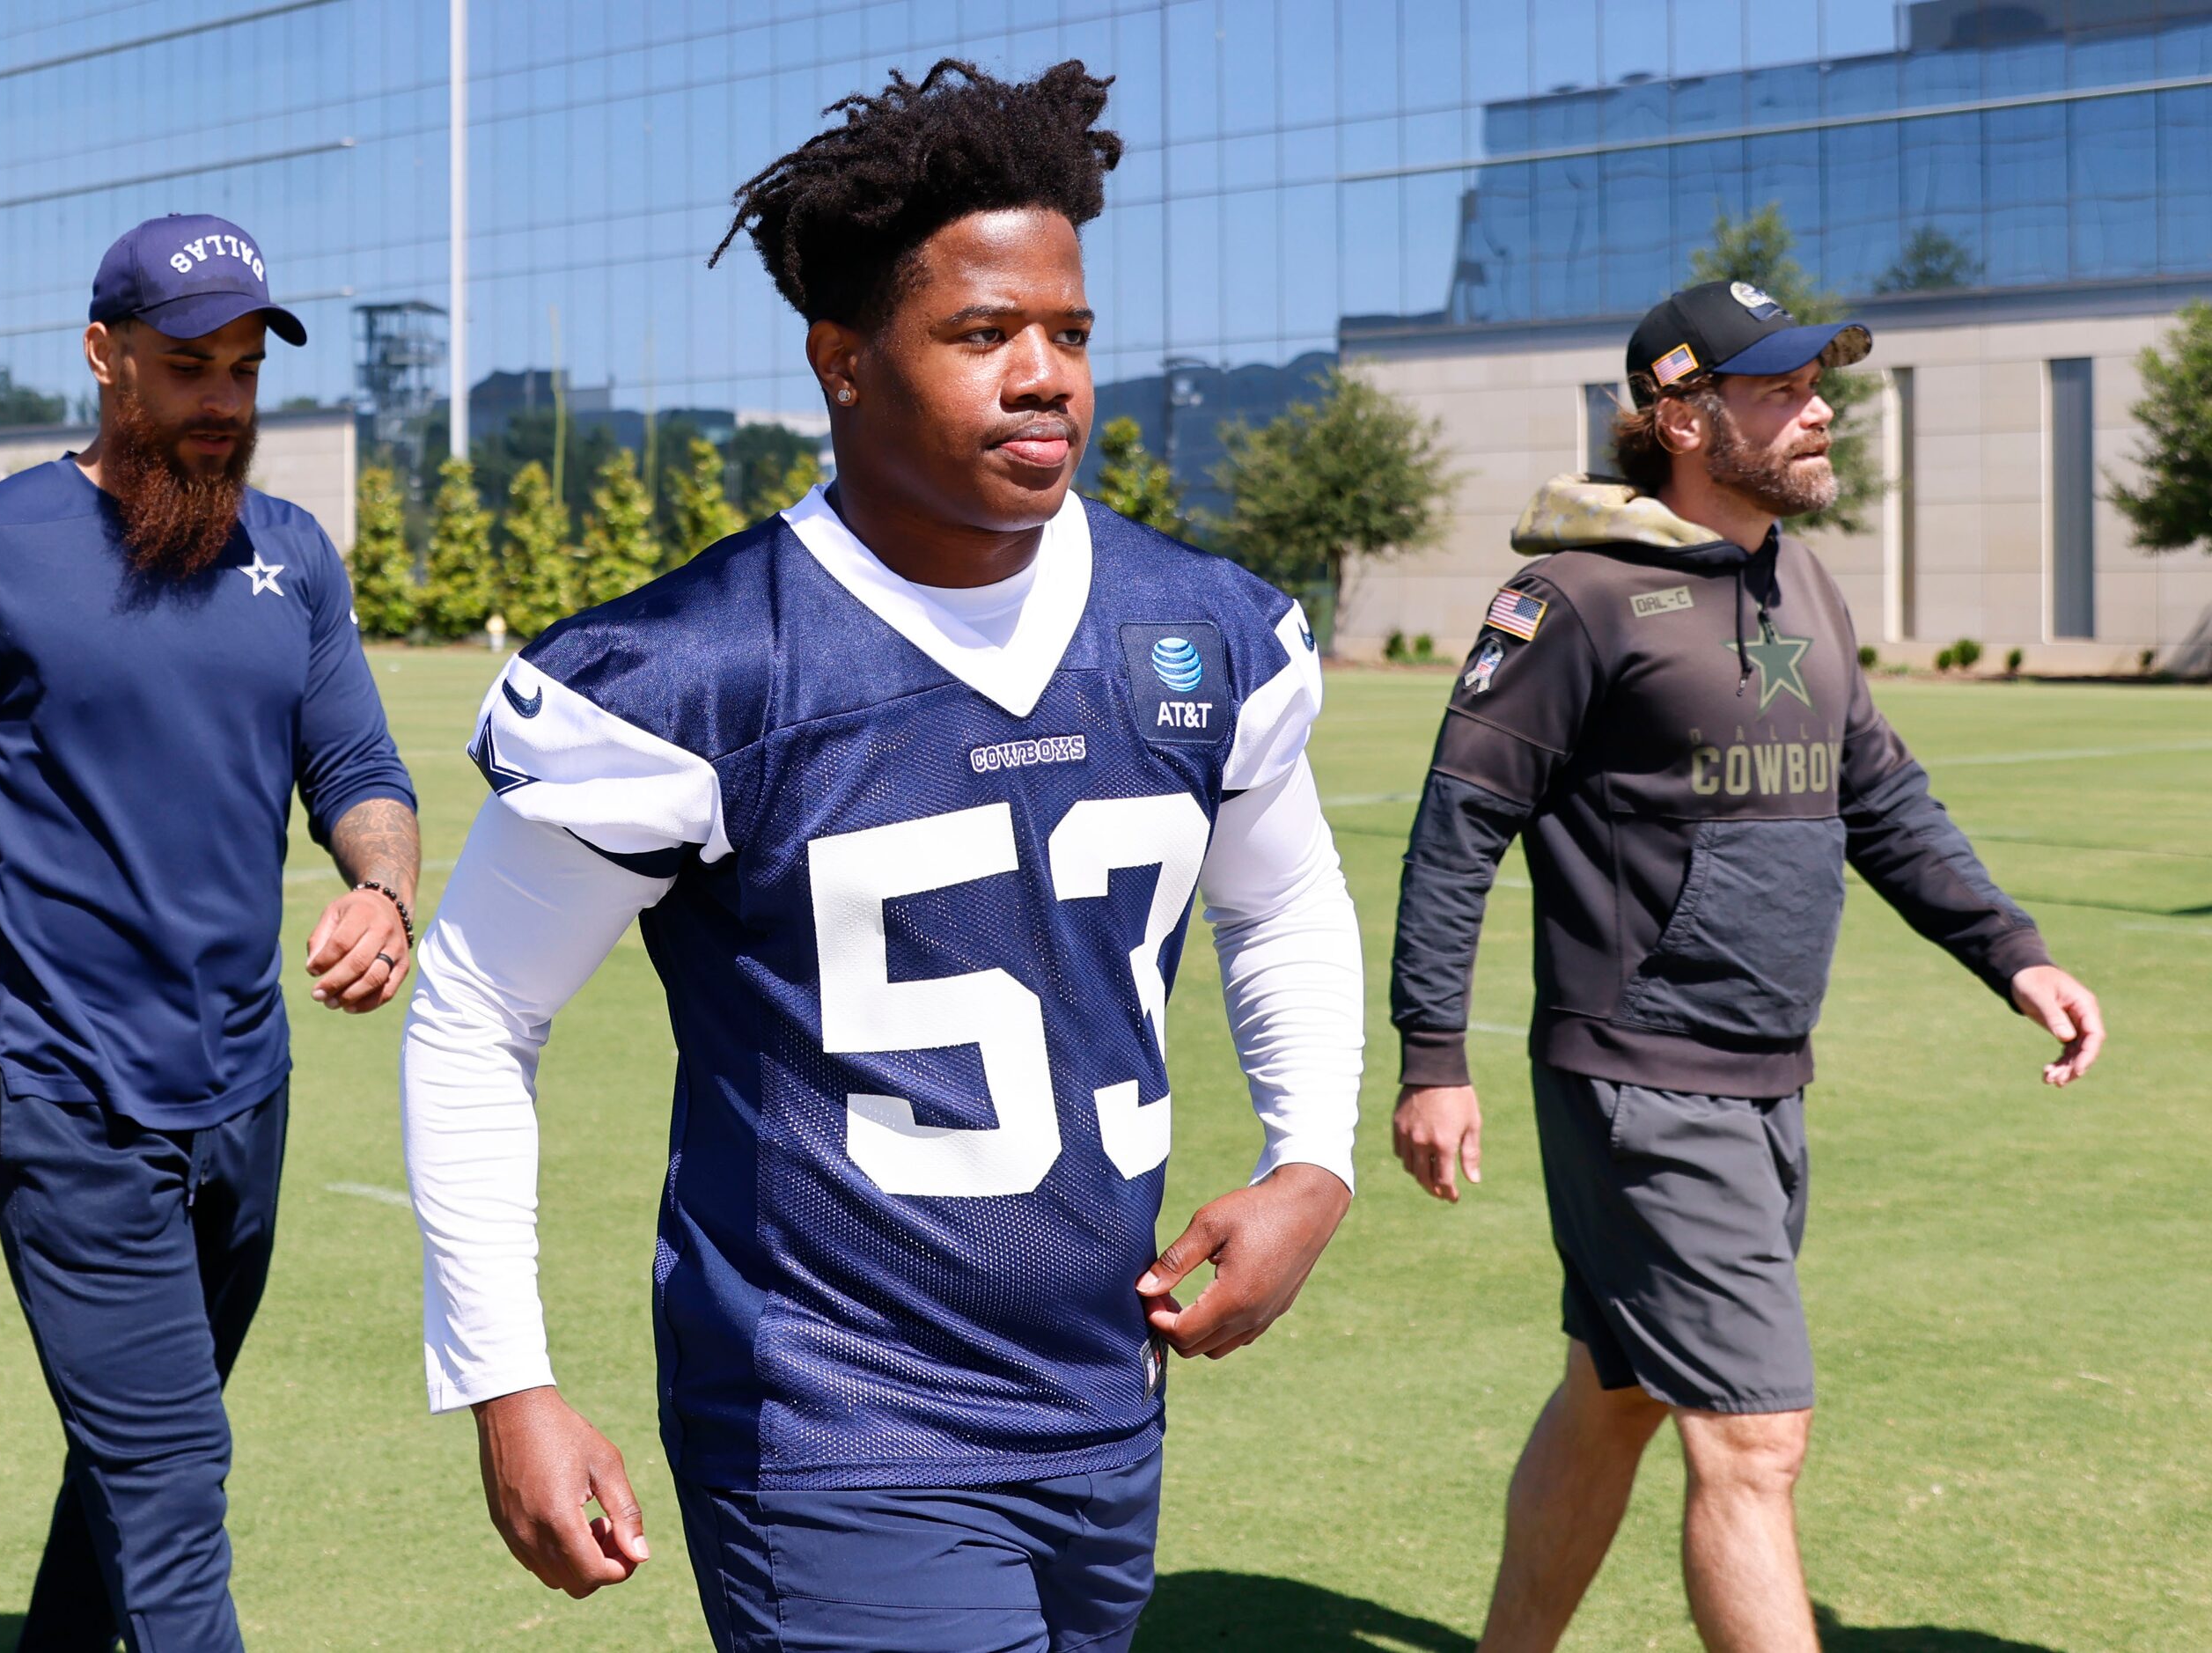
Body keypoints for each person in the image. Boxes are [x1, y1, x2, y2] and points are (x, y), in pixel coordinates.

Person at [401, 61, 1364, 1653]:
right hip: (834, 1421)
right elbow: (472, 1013)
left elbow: (1285, 906)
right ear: (842, 362)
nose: (1045, 376)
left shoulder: (1191, 630)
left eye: (1070, 331)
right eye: (985, 336)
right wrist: (507, 1379)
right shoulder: (703, 668)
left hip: (1102, 1394)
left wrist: (1310, 1161)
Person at [1387, 280, 2107, 1653]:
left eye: (1816, 381)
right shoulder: (1574, 599)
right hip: (1643, 1078)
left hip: (1763, 1075)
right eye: (1779, 389)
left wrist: (2013, 950)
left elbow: (1882, 796)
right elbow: (1458, 825)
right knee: (1755, 1437)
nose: (1819, 406)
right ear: (1678, 416)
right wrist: (1435, 1057)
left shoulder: (1802, 578)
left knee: (1617, 1388)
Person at [0, 212, 419, 1652]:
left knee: (139, 1452)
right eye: (188, 368)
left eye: (243, 368)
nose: (224, 403)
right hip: (68, 1099)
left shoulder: (293, 556)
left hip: (246, 1093)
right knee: (174, 1487)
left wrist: (382, 888)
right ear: (107, 359)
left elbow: (361, 775)